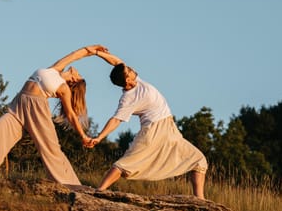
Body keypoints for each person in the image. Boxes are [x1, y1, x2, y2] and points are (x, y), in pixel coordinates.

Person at [86, 49, 208, 199]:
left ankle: (200, 201)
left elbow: (117, 63)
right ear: (127, 81)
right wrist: (99, 137)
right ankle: (99, 191)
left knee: (199, 161)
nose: (131, 69)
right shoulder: (128, 99)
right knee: (126, 164)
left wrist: (98, 53)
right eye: (129, 71)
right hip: (153, 131)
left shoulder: (137, 80)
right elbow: (116, 119)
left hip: (170, 130)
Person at [0, 44, 107, 187]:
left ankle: (72, 185)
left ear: (74, 80)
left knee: (50, 148)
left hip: (37, 108)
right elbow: (75, 55)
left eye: (79, 75)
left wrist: (83, 136)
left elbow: (71, 115)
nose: (78, 72)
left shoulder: (64, 88)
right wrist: (94, 50)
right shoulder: (56, 69)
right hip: (19, 104)